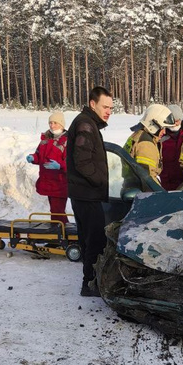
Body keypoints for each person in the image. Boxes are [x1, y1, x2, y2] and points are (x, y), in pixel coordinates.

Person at [67, 86, 113, 297]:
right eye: (105, 106)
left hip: (84, 193)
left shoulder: (88, 123)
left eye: (111, 108)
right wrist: (98, 180)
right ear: (92, 104)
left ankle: (90, 282)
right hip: (87, 194)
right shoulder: (86, 125)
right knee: (95, 239)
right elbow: (82, 161)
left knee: (88, 238)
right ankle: (91, 284)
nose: (108, 111)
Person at [26, 111, 68, 224]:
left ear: (62, 124)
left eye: (55, 123)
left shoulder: (66, 141)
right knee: (55, 210)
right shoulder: (45, 139)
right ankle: (61, 231)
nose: (52, 125)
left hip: (60, 183)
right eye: (50, 123)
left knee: (57, 211)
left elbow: (72, 162)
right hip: (48, 182)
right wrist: (33, 158)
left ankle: (62, 232)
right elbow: (39, 155)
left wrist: (60, 165)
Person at [127, 104, 176, 182]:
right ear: (153, 125)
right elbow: (148, 179)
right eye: (163, 128)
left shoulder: (140, 134)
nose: (164, 132)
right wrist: (160, 193)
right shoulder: (146, 145)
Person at [160, 104, 183, 191]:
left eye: (177, 121)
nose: (175, 124)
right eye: (172, 121)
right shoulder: (160, 133)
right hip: (167, 183)